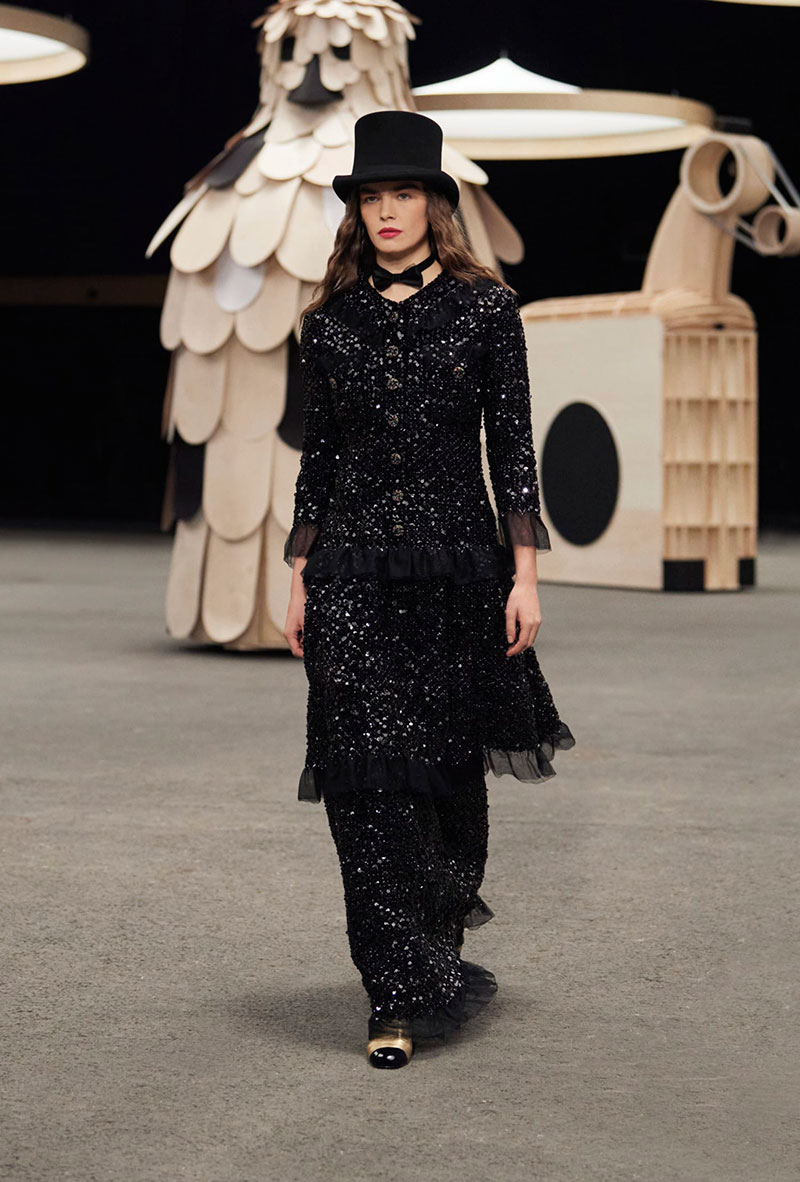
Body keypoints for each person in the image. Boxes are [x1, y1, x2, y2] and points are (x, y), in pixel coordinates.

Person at [283, 110, 575, 1069]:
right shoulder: (329, 325)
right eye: (371, 197)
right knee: (363, 782)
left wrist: (525, 576)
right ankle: (395, 993)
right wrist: (300, 577)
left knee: (446, 776)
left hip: (458, 573)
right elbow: (319, 463)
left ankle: (434, 951)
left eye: (403, 193)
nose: (386, 211)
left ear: (435, 205)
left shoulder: (487, 312)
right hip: (351, 576)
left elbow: (513, 453)